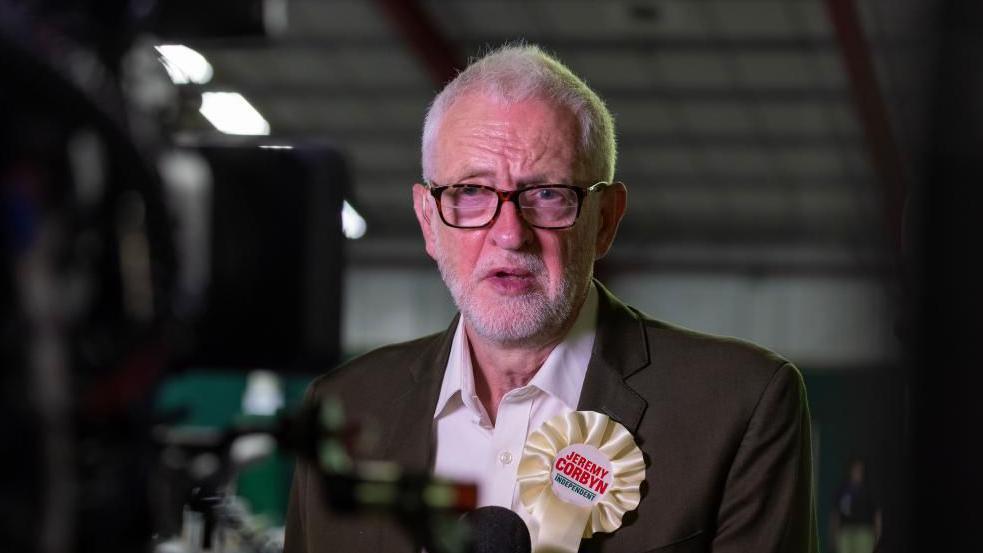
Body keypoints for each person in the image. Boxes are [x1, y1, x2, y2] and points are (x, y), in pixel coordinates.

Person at [285, 44, 818, 553]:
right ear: (428, 220)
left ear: (605, 220)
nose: (509, 234)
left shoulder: (739, 406)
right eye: (471, 192)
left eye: (547, 195)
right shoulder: (343, 408)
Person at [830, 459, 881, 553]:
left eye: (859, 470)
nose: (856, 473)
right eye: (855, 469)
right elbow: (836, 513)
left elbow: (876, 513)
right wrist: (834, 534)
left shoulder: (868, 491)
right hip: (845, 531)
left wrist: (877, 532)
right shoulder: (842, 490)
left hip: (864, 532)